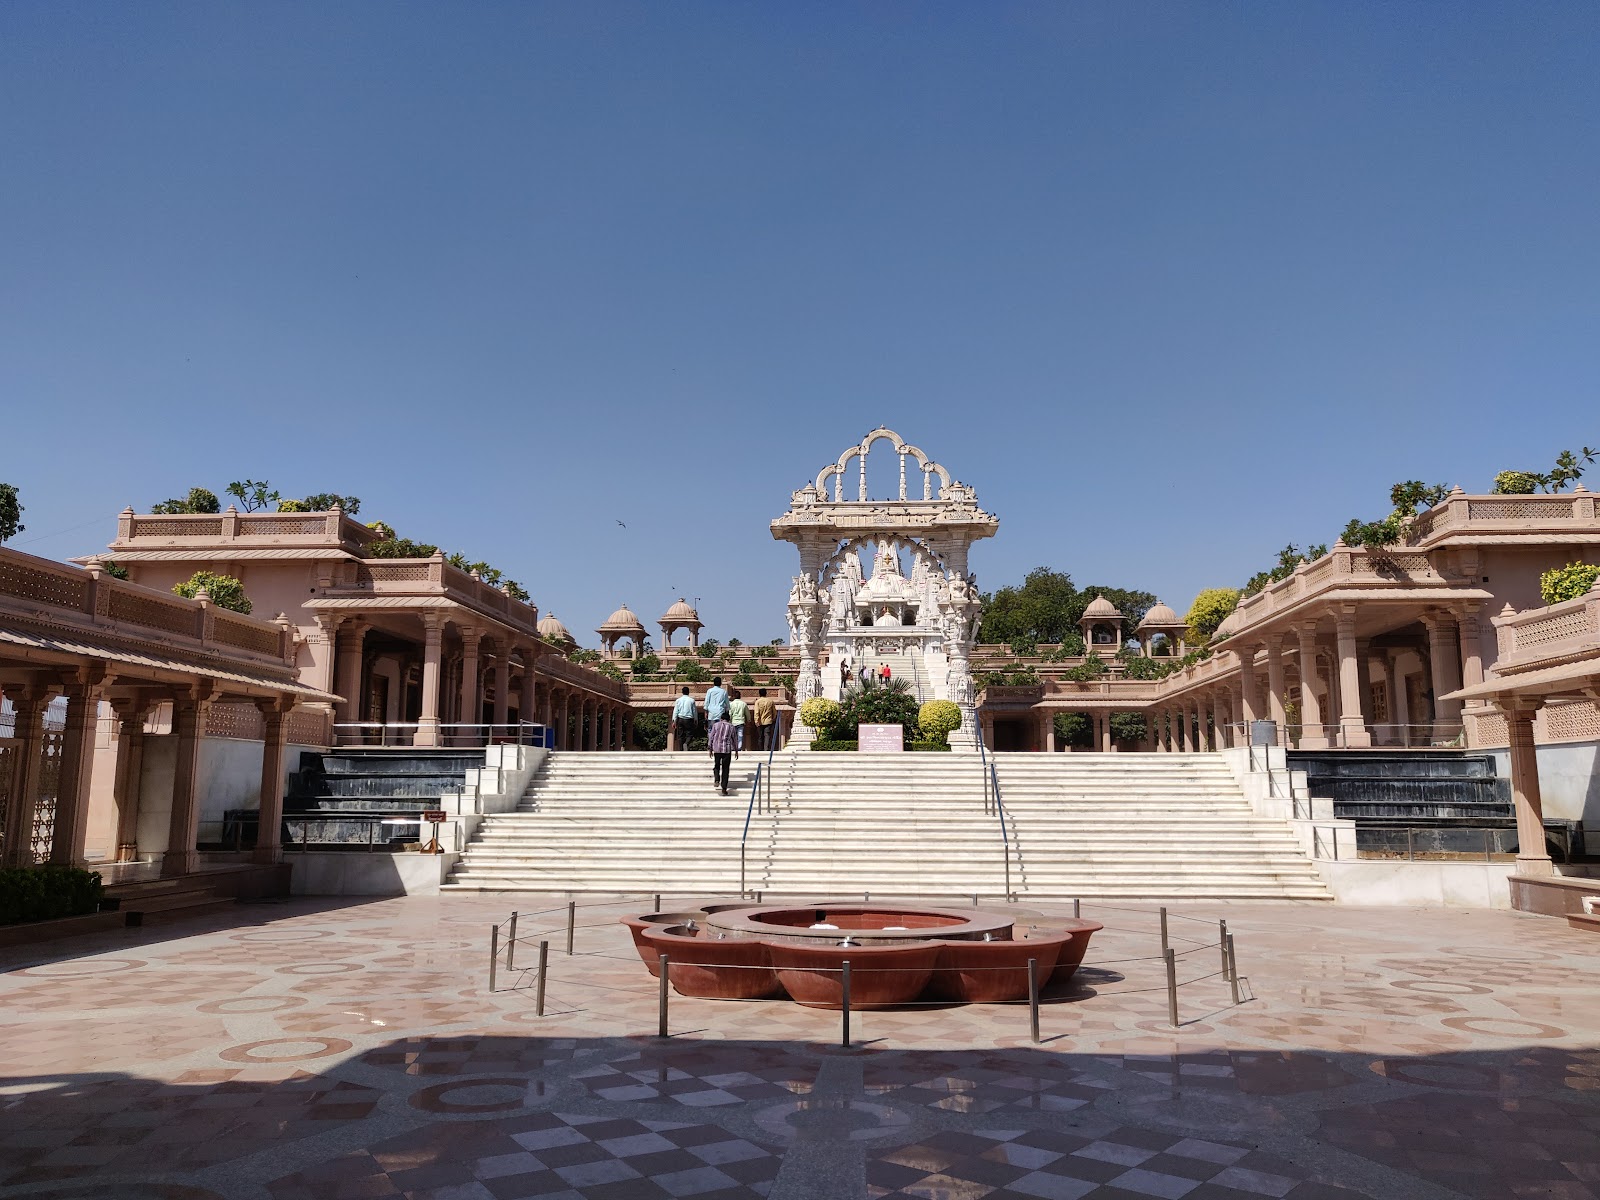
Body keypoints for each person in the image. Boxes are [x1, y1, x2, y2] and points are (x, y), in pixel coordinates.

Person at [708, 710, 737, 795]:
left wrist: (710, 748)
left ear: (721, 718)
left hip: (717, 749)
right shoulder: (731, 726)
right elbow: (734, 739)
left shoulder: (716, 725)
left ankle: (717, 779)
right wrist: (736, 750)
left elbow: (711, 737)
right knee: (726, 769)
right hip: (727, 750)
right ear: (729, 719)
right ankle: (724, 788)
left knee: (717, 765)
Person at [671, 686, 697, 751]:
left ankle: (681, 749)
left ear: (682, 692)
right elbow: (694, 711)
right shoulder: (691, 700)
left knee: (680, 735)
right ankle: (686, 743)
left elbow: (675, 711)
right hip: (688, 719)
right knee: (690, 734)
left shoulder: (678, 700)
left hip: (680, 719)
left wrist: (674, 721)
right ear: (688, 692)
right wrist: (696, 720)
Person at [728, 689, 749, 753]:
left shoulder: (731, 704)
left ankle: (732, 747)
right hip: (741, 722)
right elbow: (747, 713)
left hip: (733, 722)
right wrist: (748, 719)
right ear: (740, 696)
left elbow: (730, 713)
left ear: (733, 696)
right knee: (740, 735)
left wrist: (729, 721)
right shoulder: (743, 704)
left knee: (732, 735)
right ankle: (739, 748)